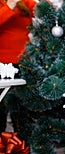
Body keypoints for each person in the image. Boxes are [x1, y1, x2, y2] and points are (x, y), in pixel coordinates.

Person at [0, 0, 36, 132]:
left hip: (23, 63)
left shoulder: (24, 2)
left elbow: (43, 12)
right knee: (1, 107)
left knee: (21, 108)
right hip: (2, 66)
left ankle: (23, 146)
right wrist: (10, 5)